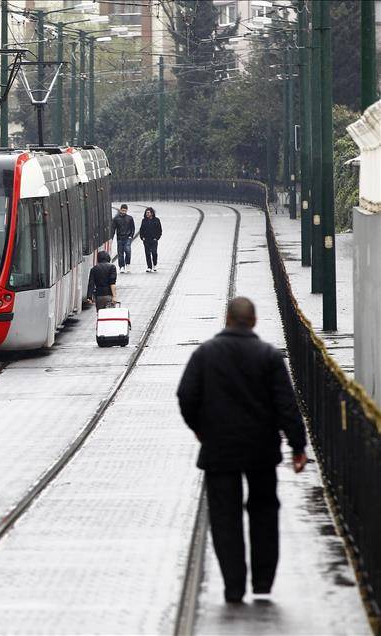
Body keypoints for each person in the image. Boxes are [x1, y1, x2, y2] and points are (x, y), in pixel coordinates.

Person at [176, 297, 308, 604]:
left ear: (227, 319)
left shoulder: (205, 354)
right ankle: (263, 581)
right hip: (261, 450)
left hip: (219, 450)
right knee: (264, 511)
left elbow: (186, 396)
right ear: (254, 321)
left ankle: (234, 586)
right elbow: (286, 406)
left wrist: (200, 429)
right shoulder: (269, 356)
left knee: (225, 517)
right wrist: (297, 446)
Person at [111, 204, 135, 273]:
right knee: (120, 253)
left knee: (128, 251)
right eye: (123, 210)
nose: (124, 212)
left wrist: (131, 236)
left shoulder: (130, 218)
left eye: (125, 210)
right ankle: (121, 266)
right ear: (120, 210)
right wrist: (112, 238)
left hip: (127, 237)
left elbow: (132, 228)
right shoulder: (116, 219)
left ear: (127, 210)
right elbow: (113, 229)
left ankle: (127, 264)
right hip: (120, 238)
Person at [139, 207, 162, 272]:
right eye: (146, 212)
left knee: (154, 253)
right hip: (146, 239)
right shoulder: (144, 220)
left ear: (152, 213)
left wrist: (157, 238)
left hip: (154, 239)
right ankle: (149, 266)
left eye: (148, 212)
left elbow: (159, 230)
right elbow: (141, 230)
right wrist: (142, 237)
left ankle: (154, 264)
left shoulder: (157, 220)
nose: (147, 214)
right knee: (147, 253)